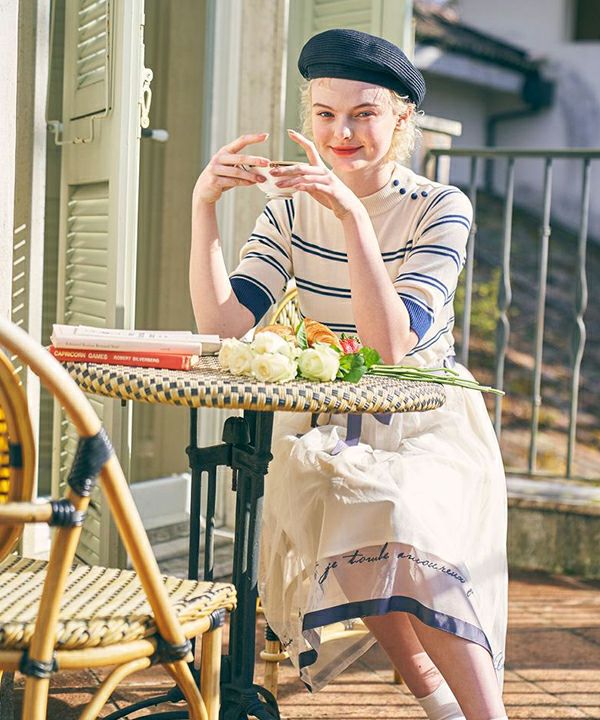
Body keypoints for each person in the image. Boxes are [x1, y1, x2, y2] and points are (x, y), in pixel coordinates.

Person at [190, 28, 508, 720]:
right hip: (330, 427)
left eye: (364, 114)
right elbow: (224, 324)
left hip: (426, 421)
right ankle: (441, 706)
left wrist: (352, 216)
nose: (341, 133)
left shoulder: (440, 208)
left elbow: (390, 345)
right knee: (352, 516)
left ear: (401, 118)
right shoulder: (287, 212)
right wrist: (203, 206)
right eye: (326, 114)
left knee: (397, 517)